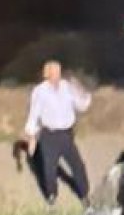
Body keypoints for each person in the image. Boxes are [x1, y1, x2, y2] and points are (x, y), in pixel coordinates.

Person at [22, 60, 91, 206]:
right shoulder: (40, 91)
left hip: (66, 135)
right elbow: (34, 114)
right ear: (47, 74)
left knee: (77, 165)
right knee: (50, 169)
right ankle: (51, 197)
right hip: (49, 135)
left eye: (59, 71)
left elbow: (82, 105)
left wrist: (80, 89)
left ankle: (84, 195)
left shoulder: (67, 87)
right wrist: (31, 136)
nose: (57, 75)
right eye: (53, 72)